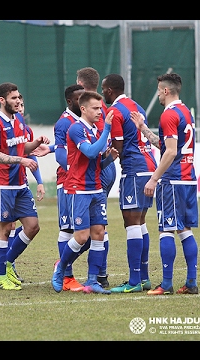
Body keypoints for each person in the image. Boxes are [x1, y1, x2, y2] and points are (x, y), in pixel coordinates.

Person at [130, 73, 199, 295]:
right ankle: (191, 282)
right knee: (184, 230)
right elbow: (165, 144)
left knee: (166, 230)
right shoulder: (186, 112)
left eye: (159, 90)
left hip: (172, 181)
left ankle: (166, 284)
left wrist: (154, 178)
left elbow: (169, 152)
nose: (158, 94)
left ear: (166, 91)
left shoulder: (168, 115)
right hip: (188, 179)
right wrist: (142, 127)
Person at [0, 82, 49, 290]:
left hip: (20, 184)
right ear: (2, 100)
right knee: (4, 231)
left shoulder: (19, 120)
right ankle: (1, 277)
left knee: (32, 226)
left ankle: (8, 262)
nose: (19, 101)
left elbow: (22, 148)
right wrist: (21, 160)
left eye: (19, 97)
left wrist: (36, 142)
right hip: (2, 185)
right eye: (14, 98)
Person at [51, 91, 117, 294]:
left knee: (99, 234)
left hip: (96, 188)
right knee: (81, 236)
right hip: (78, 189)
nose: (100, 112)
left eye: (100, 108)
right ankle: (61, 268)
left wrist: (109, 159)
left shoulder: (96, 131)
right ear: (84, 109)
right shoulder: (75, 129)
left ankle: (92, 281)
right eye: (96, 108)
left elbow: (95, 162)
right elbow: (89, 152)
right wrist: (107, 128)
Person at [101, 73, 157, 293]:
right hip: (149, 166)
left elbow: (118, 148)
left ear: (109, 90)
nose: (103, 92)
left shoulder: (114, 111)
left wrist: (101, 160)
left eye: (104, 89)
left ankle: (134, 281)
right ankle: (143, 278)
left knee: (131, 222)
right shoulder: (137, 106)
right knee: (140, 221)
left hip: (134, 169)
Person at [77, 67, 117, 287]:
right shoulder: (105, 107)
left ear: (81, 85)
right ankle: (100, 274)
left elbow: (91, 150)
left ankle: (65, 268)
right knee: (100, 225)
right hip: (108, 167)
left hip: (95, 170)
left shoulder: (88, 113)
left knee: (89, 229)